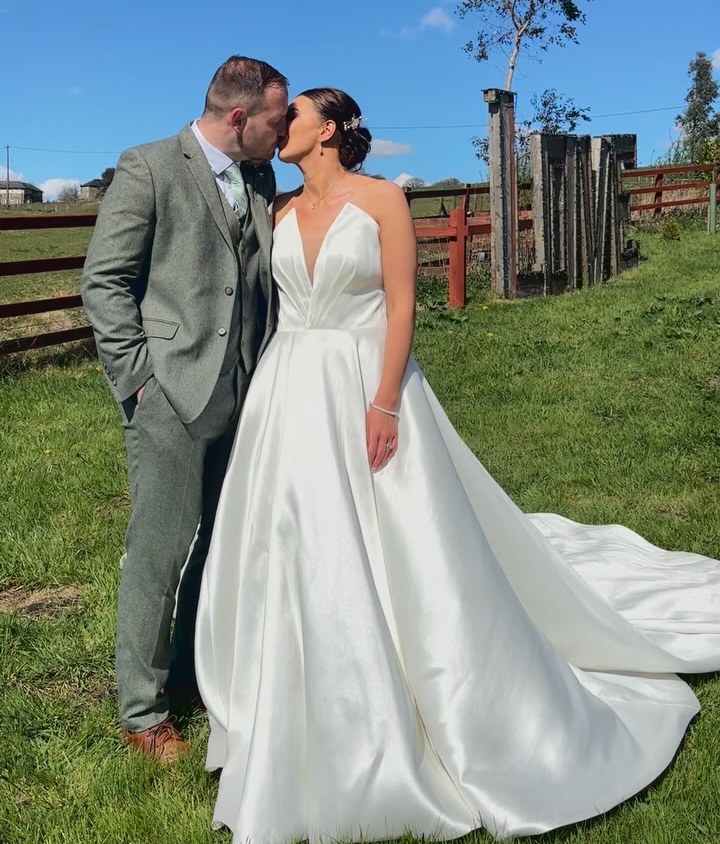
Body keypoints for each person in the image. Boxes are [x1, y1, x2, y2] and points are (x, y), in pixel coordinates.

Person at [196, 85, 720, 842]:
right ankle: (292, 690)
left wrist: (382, 404)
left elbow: (403, 305)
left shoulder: (382, 200)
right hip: (288, 387)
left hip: (363, 378)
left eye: (297, 115)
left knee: (401, 537)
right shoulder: (275, 209)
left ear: (331, 129)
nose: (283, 126)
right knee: (289, 532)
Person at [81, 55, 288, 762]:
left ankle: (192, 675)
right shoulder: (148, 167)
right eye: (275, 118)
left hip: (247, 390)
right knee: (158, 553)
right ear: (239, 118)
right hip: (168, 392)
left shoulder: (261, 176)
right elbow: (104, 281)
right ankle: (142, 713)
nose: (283, 131)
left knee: (219, 544)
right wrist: (139, 380)